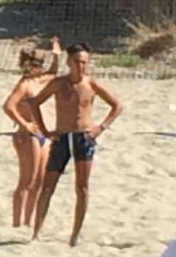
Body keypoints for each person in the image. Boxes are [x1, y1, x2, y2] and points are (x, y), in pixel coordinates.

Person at [30, 44, 125, 245]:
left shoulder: (91, 84)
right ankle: (36, 232)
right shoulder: (58, 83)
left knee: (82, 187)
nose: (81, 66)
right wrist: (45, 130)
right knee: (48, 186)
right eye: (77, 62)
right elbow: (35, 103)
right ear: (69, 62)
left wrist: (101, 127)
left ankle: (75, 235)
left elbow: (117, 105)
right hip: (62, 137)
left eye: (84, 62)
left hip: (84, 138)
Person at [0, 40, 61, 228]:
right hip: (28, 136)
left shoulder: (40, 80)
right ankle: (16, 222)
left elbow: (53, 72)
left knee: (39, 182)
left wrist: (57, 55)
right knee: (27, 180)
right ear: (30, 65)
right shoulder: (25, 84)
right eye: (38, 64)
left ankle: (27, 221)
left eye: (42, 64)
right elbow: (8, 106)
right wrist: (24, 124)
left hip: (43, 135)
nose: (42, 67)